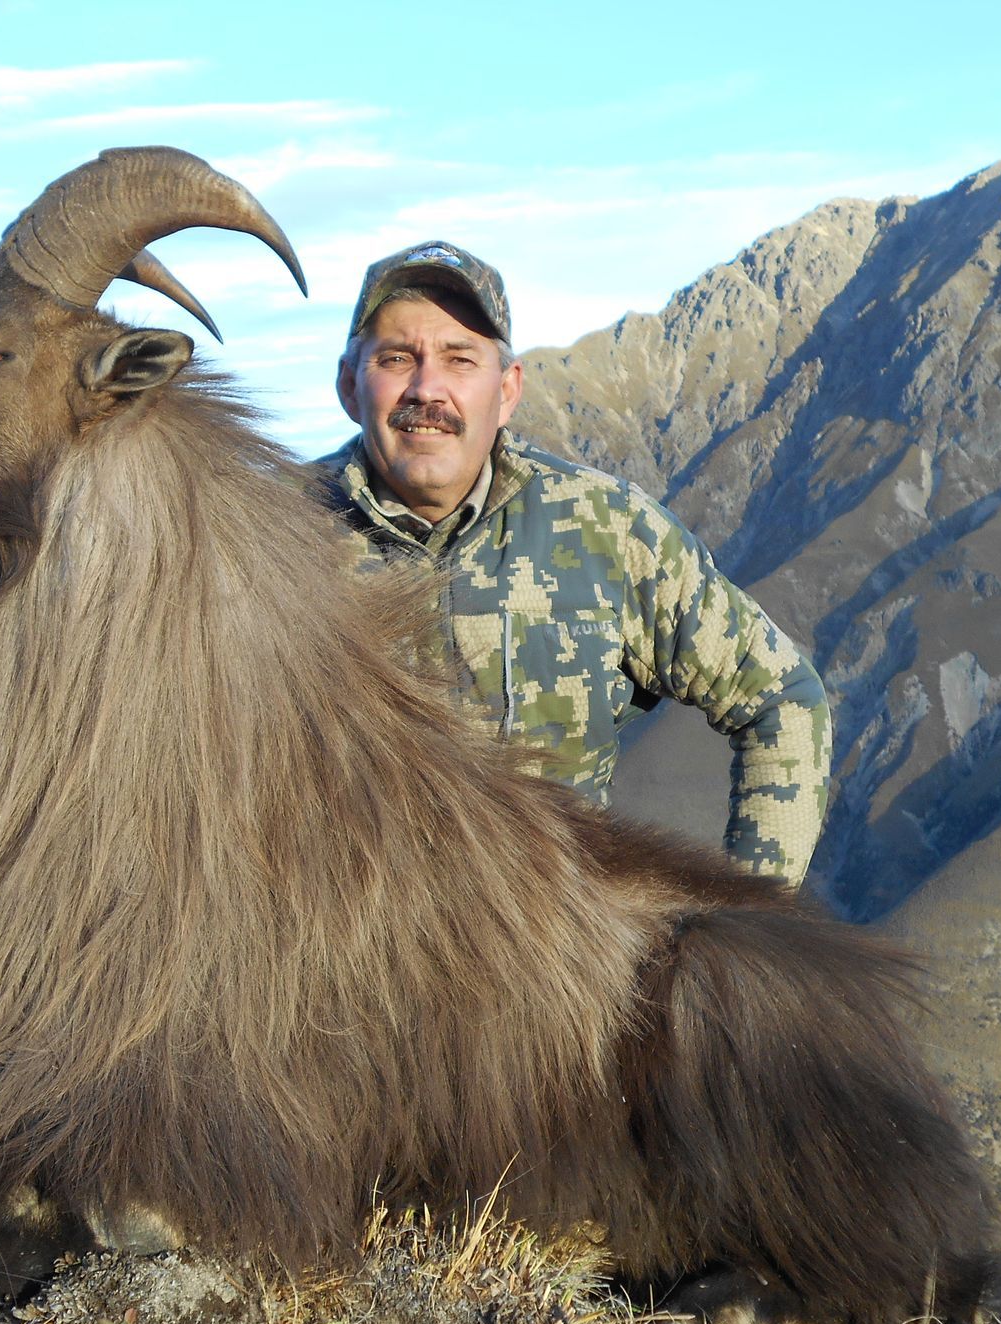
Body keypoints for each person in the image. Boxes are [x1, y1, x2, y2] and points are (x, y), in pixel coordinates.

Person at [313, 241, 832, 884]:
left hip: (559, 967)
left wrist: (756, 924)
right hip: (344, 972)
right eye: (397, 359)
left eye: (459, 359)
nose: (427, 389)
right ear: (348, 385)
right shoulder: (272, 537)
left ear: (505, 391)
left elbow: (783, 697)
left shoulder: (604, 529)